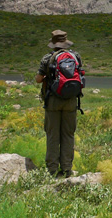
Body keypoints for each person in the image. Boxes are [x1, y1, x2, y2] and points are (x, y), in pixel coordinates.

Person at [35, 30, 84, 178]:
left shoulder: (48, 58)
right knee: (68, 135)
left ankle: (52, 170)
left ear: (54, 43)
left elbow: (38, 79)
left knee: (52, 135)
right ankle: (67, 169)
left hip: (53, 101)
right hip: (71, 101)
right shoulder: (75, 56)